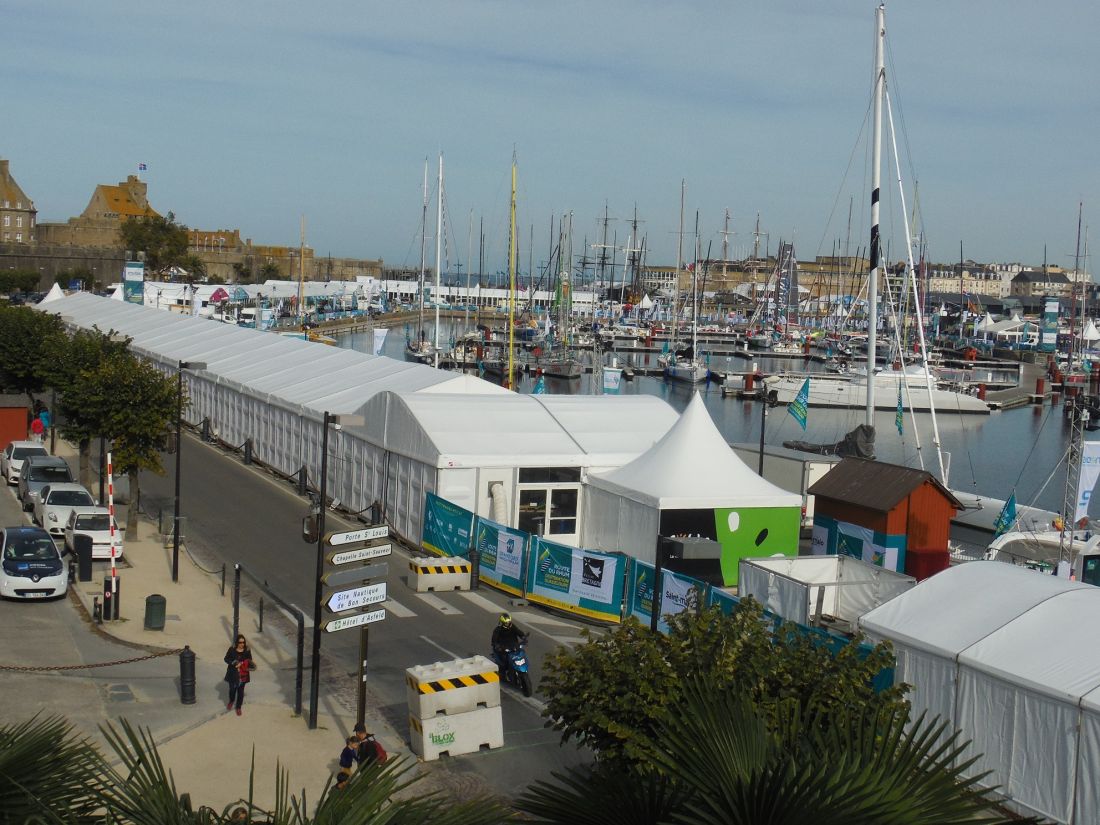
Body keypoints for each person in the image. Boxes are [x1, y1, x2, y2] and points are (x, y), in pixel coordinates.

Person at [224, 634, 254, 716]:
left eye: (243, 642)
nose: (242, 644)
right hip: (232, 674)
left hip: (243, 675)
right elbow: (226, 659)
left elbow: (250, 661)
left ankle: (238, 707)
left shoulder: (247, 650)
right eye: (240, 642)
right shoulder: (231, 649)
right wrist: (234, 663)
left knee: (240, 692)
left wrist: (242, 663)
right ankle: (231, 701)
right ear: (237, 643)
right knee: (232, 690)